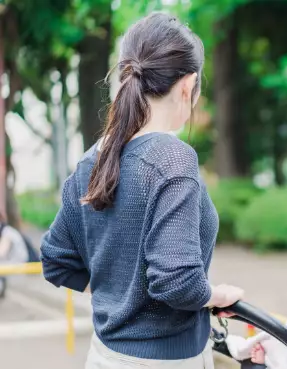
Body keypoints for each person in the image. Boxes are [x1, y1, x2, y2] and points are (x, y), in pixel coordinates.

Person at [40, 13, 244, 368]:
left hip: (104, 357)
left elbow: (56, 259)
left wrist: (118, 299)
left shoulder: (94, 159)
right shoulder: (173, 160)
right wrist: (215, 295)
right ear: (188, 85)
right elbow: (177, 281)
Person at [0, 219, 31, 298]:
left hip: (18, 265)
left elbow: (2, 253)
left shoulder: (7, 232)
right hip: (15, 263)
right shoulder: (7, 230)